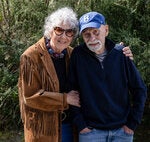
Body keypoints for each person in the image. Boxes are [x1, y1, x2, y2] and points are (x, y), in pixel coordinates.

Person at [18, 7, 133, 142]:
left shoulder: (73, 54)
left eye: (69, 32)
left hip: (71, 125)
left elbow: (99, 64)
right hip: (44, 128)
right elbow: (29, 97)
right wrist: (64, 99)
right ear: (50, 30)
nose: (64, 36)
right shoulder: (31, 56)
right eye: (59, 30)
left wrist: (118, 53)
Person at [68, 11, 147, 142]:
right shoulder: (77, 56)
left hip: (122, 132)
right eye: (87, 34)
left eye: (96, 32)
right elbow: (71, 90)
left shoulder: (121, 54)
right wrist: (81, 125)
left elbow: (140, 89)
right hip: (91, 132)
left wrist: (132, 124)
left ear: (106, 30)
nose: (92, 38)